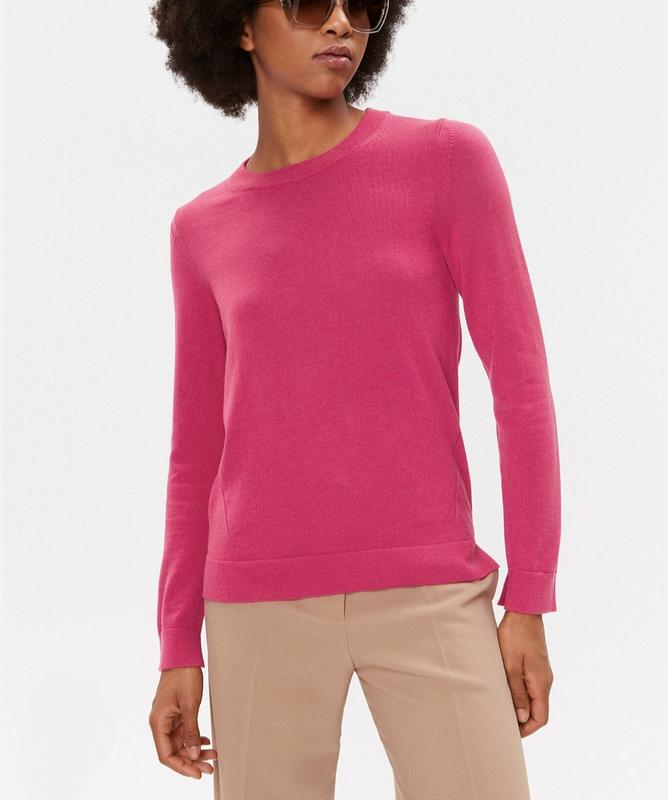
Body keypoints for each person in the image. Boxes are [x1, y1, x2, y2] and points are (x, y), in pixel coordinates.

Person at [147, 1, 561, 798]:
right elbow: (194, 454)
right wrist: (177, 646)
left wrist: (530, 598)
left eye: (360, 5)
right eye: (308, 3)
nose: (340, 22)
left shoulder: (446, 160)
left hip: (431, 590)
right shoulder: (200, 230)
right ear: (238, 25)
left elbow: (522, 388)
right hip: (256, 605)